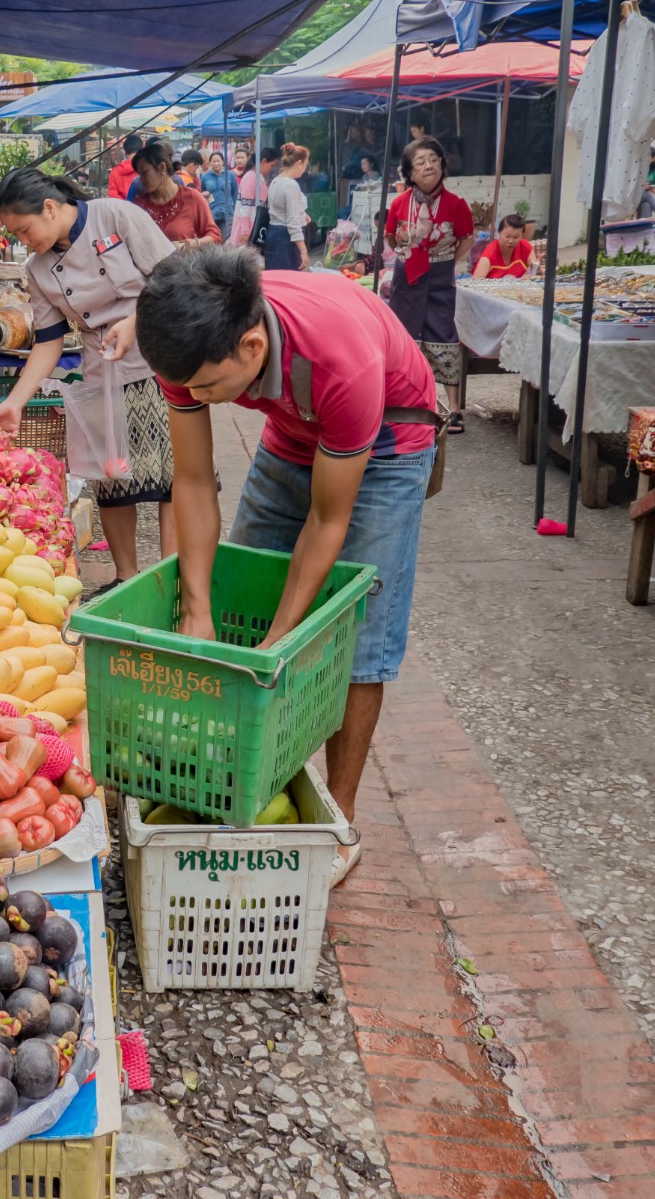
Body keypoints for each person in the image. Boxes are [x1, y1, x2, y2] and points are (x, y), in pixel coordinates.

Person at [137, 244, 438, 820]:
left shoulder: (338, 361)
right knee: (238, 592)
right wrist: (197, 606)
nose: (193, 397)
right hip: (294, 430)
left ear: (252, 347)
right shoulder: (189, 349)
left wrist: (280, 638)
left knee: (357, 639)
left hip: (387, 443)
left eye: (205, 388)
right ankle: (247, 774)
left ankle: (339, 817)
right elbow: (196, 484)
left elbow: (328, 520)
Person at [0, 166, 183, 582]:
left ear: (50, 207)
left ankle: (176, 580)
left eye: (23, 230)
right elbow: (49, 341)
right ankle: (126, 581)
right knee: (110, 482)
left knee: (175, 479)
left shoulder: (114, 215)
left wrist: (136, 321)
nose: (23, 242)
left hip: (161, 361)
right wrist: (15, 401)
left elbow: (174, 277)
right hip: (104, 373)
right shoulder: (38, 270)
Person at [385, 135, 474, 430]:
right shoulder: (399, 203)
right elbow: (389, 236)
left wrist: (445, 261)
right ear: (410, 172)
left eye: (433, 160)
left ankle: (455, 410)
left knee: (443, 335)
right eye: (420, 162)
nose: (428, 167)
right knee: (405, 337)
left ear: (442, 166)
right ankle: (405, 404)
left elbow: (466, 239)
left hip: (439, 278)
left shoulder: (455, 204)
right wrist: (406, 254)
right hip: (406, 277)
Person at [132, 140, 222, 244]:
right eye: (139, 174)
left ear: (162, 167)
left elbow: (214, 235)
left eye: (145, 172)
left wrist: (194, 244)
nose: (141, 179)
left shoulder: (192, 197)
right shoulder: (139, 204)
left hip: (184, 260)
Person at [263, 143, 313, 271]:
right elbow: (292, 223)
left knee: (275, 279)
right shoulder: (291, 185)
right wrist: (303, 251)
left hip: (274, 235)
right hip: (286, 241)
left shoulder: (276, 181)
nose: (305, 169)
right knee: (287, 282)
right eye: (305, 165)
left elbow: (279, 209)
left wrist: (302, 215)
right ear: (299, 163)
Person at [230, 144, 273, 247]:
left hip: (254, 225)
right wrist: (245, 231)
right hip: (249, 228)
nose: (272, 169)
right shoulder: (251, 177)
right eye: (272, 165)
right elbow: (245, 206)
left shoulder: (259, 177)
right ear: (263, 162)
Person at [473, 214, 536, 279]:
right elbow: (475, 284)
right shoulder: (489, 255)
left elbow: (533, 270)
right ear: (499, 232)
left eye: (516, 237)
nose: (511, 241)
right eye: (507, 236)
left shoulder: (525, 247)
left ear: (522, 235)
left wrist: (535, 268)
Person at [200, 150, 237, 237]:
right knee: (213, 239)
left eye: (218, 161)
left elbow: (235, 194)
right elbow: (202, 193)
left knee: (226, 240)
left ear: (223, 162)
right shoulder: (205, 177)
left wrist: (235, 210)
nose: (216, 163)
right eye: (214, 161)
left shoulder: (230, 175)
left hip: (228, 214)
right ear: (210, 163)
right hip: (212, 214)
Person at [107, 133, 145, 202]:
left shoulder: (114, 172)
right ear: (141, 150)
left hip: (121, 211)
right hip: (142, 210)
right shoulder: (145, 169)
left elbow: (112, 196)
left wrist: (126, 205)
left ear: (125, 152)